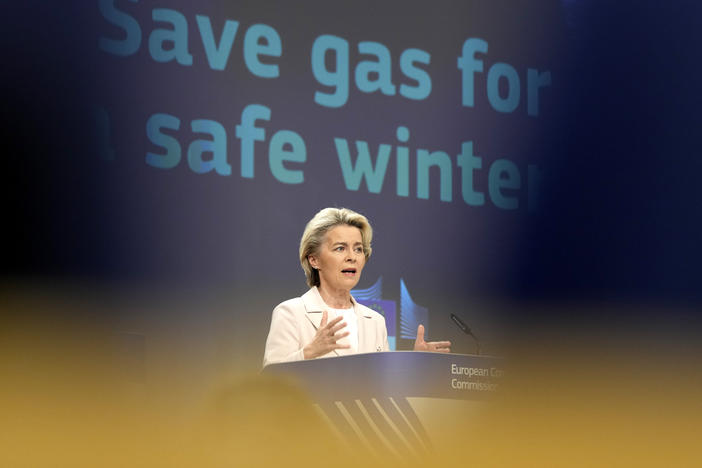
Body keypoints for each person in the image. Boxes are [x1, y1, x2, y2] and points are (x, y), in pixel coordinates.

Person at [263, 207, 450, 366]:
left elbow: (384, 386)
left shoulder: (375, 321)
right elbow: (268, 384)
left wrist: (415, 363)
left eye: (358, 249)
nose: (352, 257)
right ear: (314, 260)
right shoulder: (290, 313)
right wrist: (309, 352)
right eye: (340, 248)